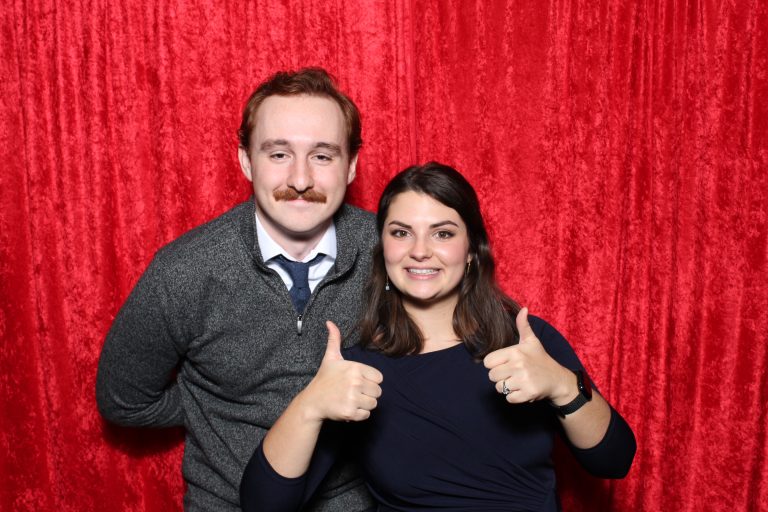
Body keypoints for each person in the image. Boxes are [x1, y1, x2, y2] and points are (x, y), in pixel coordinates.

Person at [240, 162, 637, 511]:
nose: (420, 251)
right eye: (401, 233)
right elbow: (263, 504)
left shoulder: (526, 344)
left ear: (471, 251)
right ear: (384, 250)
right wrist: (309, 405)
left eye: (443, 234)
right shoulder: (357, 374)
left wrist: (564, 386)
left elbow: (615, 461)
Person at [96, 68, 376, 511]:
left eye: (322, 156)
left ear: (352, 165)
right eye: (279, 154)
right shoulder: (184, 270)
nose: (300, 179)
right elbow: (123, 401)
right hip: (226, 503)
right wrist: (216, 411)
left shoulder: (391, 252)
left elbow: (470, 335)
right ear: (245, 161)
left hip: (349, 502)